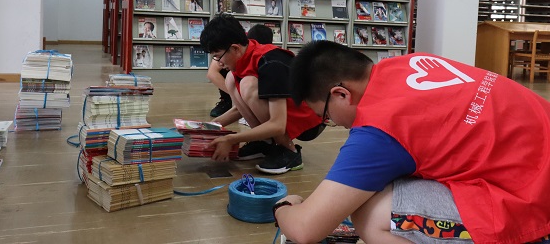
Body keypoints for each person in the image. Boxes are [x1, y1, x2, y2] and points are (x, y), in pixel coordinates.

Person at [272, 40, 550, 244]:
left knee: (370, 214)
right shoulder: (410, 62)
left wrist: (283, 207)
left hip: (533, 198)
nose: (333, 123)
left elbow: (307, 229)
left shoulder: (377, 128)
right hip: (535, 156)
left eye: (326, 116)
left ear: (341, 94)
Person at [200, 14, 324, 174]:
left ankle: (290, 151)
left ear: (235, 48)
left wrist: (231, 139)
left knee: (247, 84)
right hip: (286, 116)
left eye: (218, 57)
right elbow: (240, 109)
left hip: (309, 121)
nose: (219, 63)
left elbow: (278, 125)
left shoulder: (270, 62)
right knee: (231, 79)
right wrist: (207, 127)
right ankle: (265, 143)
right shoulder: (245, 57)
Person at [206, 24, 273, 118]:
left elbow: (278, 122)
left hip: (264, 99)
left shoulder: (268, 60)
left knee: (247, 83)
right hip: (239, 90)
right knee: (231, 76)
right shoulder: (227, 48)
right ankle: (227, 100)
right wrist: (236, 95)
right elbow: (212, 73)